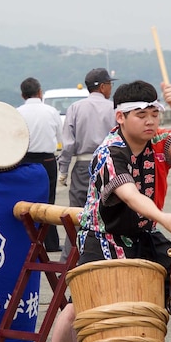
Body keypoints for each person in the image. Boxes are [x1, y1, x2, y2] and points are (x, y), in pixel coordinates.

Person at [33, 79, 171, 342]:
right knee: (80, 303)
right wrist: (162, 217)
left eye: (154, 113)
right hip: (102, 236)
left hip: (143, 233)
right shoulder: (108, 152)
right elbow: (130, 194)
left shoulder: (159, 143)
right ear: (120, 117)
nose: (150, 120)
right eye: (141, 114)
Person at [55, 67, 116, 261]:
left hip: (82, 166)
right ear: (103, 86)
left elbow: (68, 144)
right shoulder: (114, 108)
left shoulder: (75, 108)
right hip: (110, 165)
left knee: (77, 215)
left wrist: (63, 170)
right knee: (109, 215)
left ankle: (69, 262)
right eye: (110, 84)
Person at [17, 77, 63, 252]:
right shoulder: (51, 111)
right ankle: (50, 243)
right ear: (40, 92)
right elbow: (60, 138)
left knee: (25, 202)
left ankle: (27, 241)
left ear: (23, 95)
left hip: (24, 160)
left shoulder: (18, 112)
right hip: (47, 160)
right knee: (48, 202)